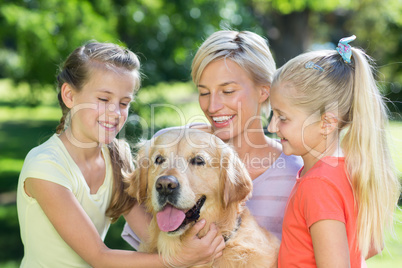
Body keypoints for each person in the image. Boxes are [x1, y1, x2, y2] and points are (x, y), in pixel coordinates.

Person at [16, 41, 224, 268]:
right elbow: (99, 257)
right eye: (103, 99)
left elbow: (150, 236)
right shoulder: (45, 165)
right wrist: (180, 259)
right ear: (69, 95)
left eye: (124, 103)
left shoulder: (116, 156)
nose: (115, 113)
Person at [121, 30, 303, 248]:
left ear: (264, 91)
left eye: (227, 91)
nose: (212, 106)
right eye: (204, 92)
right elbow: (147, 241)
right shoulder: (166, 145)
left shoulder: (295, 172)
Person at [267, 35, 401, 267]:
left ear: (326, 123)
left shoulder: (318, 185)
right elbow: (367, 248)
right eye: (272, 114)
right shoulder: (346, 170)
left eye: (282, 117)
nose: (271, 126)